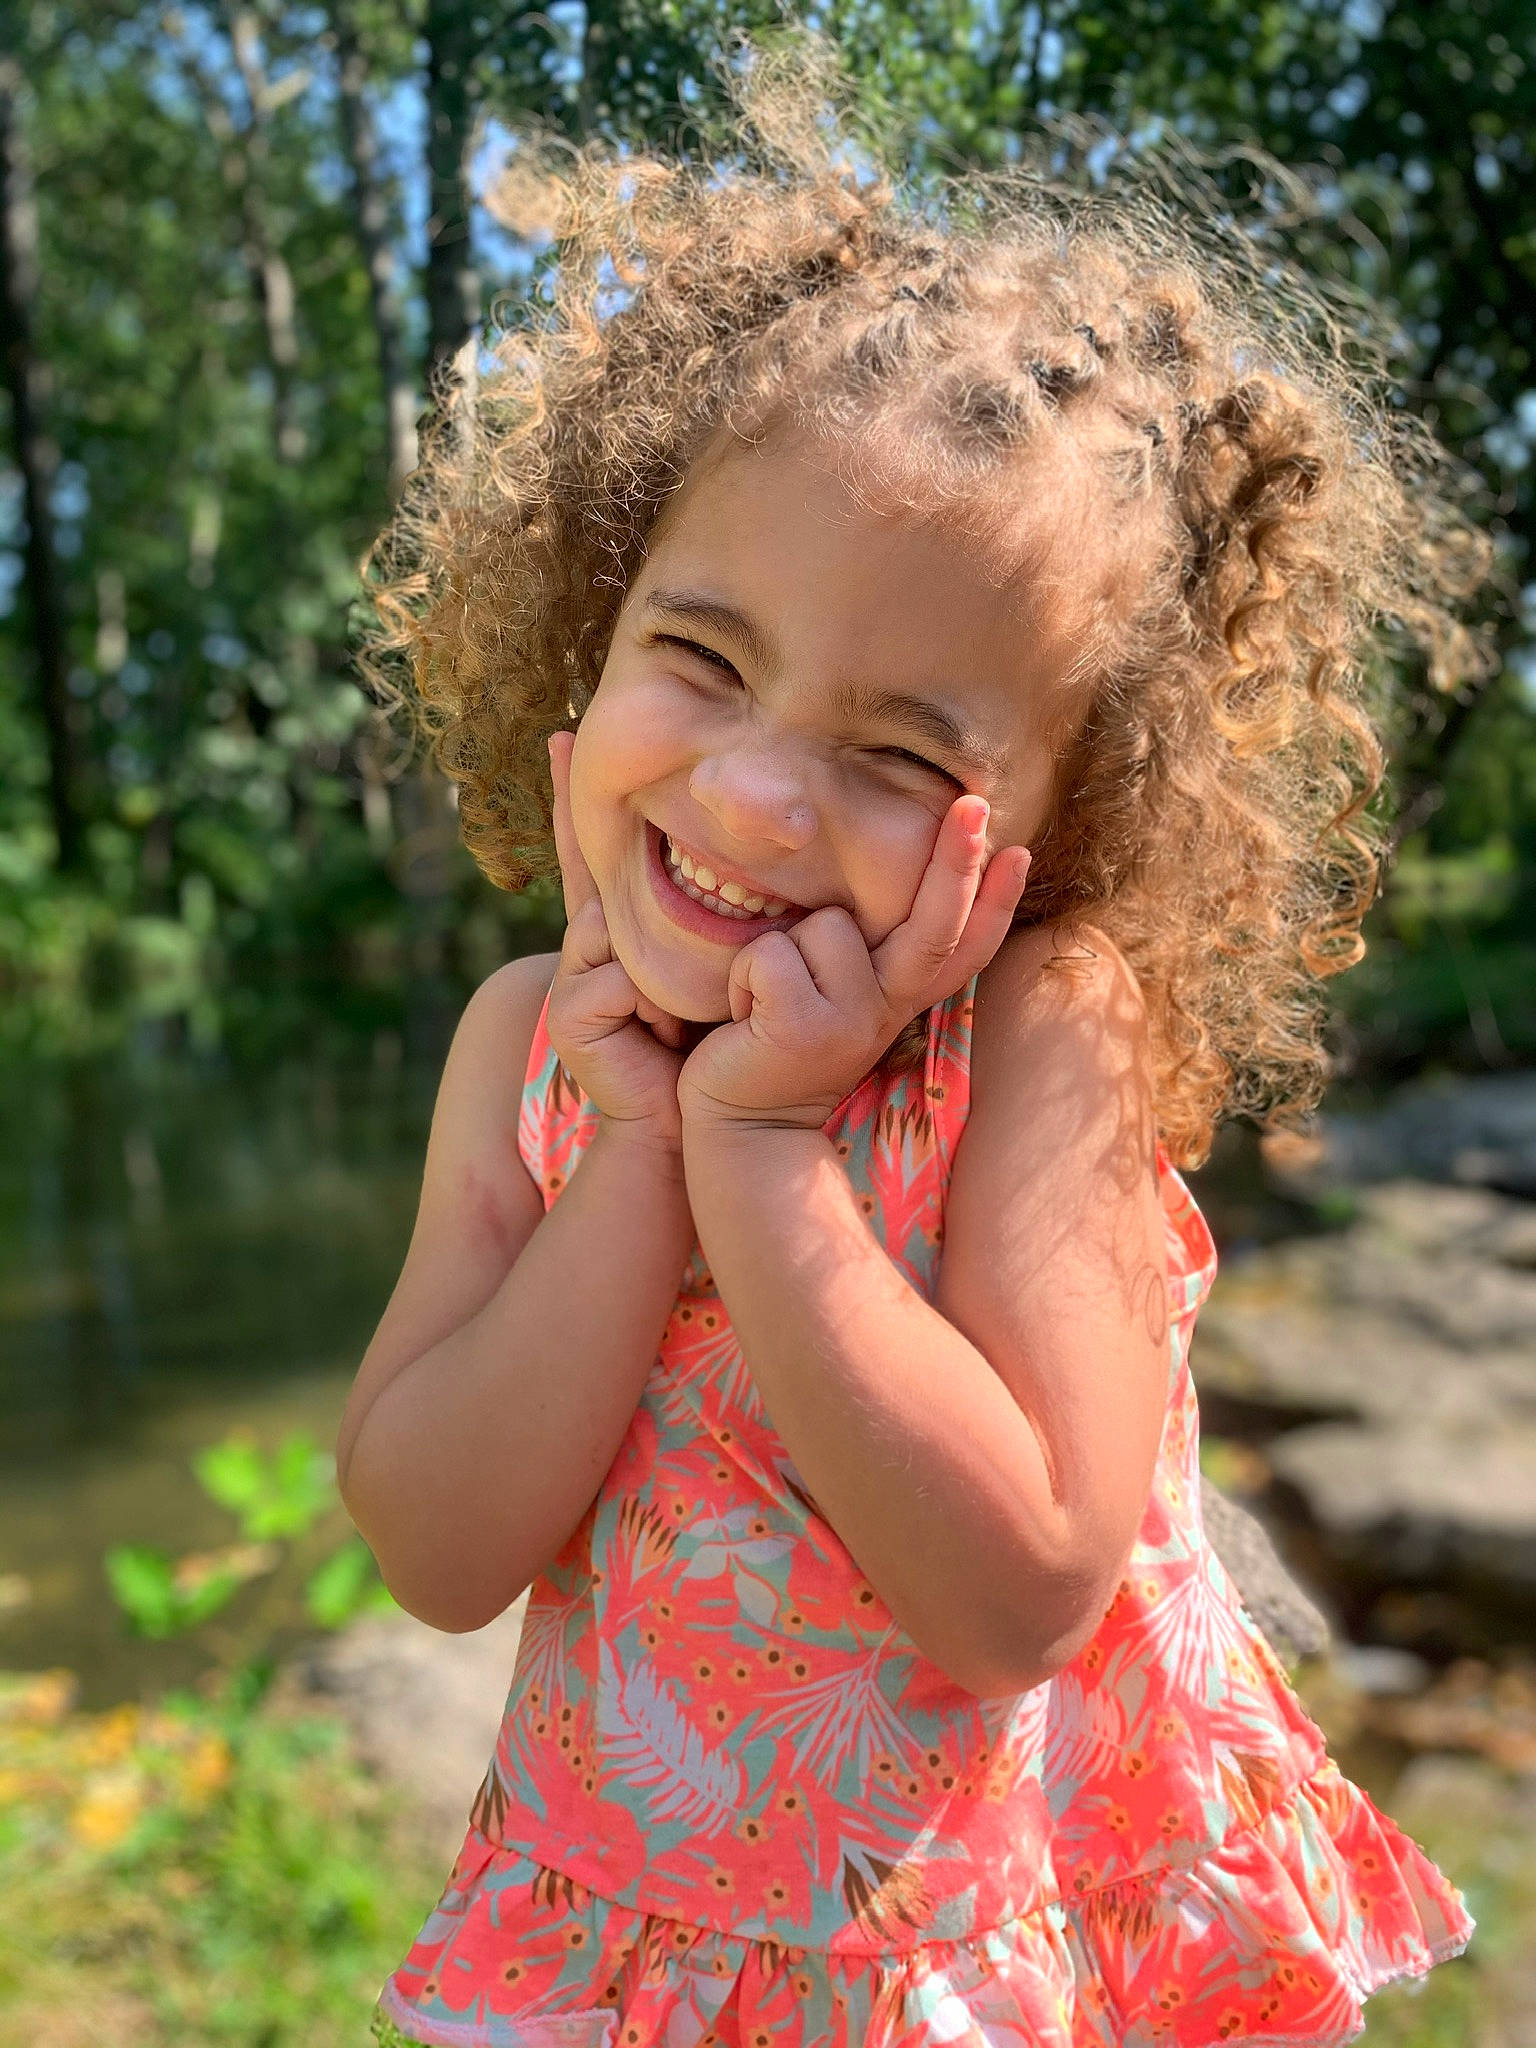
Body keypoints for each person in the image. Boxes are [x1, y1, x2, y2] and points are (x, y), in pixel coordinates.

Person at [338, 45, 1488, 2048]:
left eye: (898, 756)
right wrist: (635, 1153)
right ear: (591, 632)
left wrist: (759, 1155)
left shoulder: (1042, 1033)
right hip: (610, 1964)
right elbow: (434, 1548)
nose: (757, 795)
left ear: (1064, 823)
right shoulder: (527, 1043)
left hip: (948, 1969)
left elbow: (1017, 1589)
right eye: (699, 656)